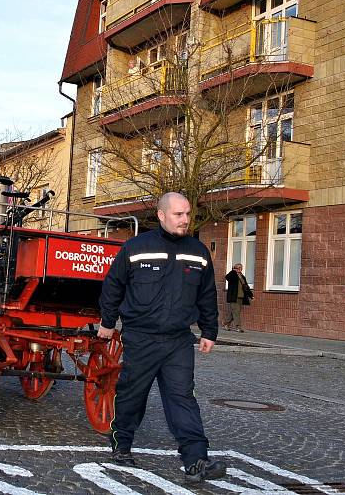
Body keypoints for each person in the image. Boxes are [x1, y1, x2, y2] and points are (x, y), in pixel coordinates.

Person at [97, 192, 227, 483]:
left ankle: (196, 460)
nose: (185, 220)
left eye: (188, 214)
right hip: (141, 337)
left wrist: (209, 331)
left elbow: (207, 294)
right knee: (133, 394)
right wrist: (107, 322)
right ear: (161, 215)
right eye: (178, 214)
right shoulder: (135, 247)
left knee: (182, 398)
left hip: (178, 340)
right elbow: (113, 286)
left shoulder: (198, 252)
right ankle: (122, 445)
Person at [224, 263, 253, 332]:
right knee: (236, 312)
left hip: (241, 297)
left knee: (234, 311)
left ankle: (226, 323)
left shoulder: (242, 277)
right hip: (234, 297)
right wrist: (233, 270)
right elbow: (227, 277)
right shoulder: (232, 275)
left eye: (241, 267)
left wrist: (251, 295)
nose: (239, 269)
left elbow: (246, 287)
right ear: (235, 268)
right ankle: (238, 327)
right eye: (238, 267)